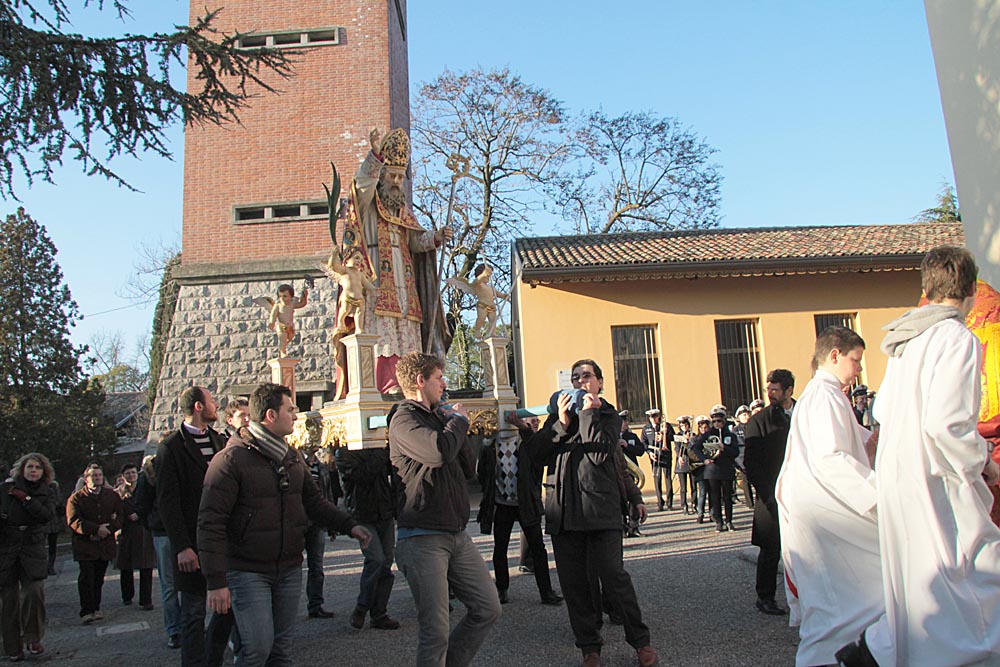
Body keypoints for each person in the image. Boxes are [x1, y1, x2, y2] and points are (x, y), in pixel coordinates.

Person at [839, 246, 1000, 667]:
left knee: (922, 582)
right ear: (971, 288)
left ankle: (878, 649)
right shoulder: (957, 338)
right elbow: (948, 424)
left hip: (901, 474)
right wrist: (982, 463)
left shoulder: (907, 342)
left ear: (927, 287)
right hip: (936, 476)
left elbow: (884, 410)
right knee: (977, 574)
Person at [198, 383, 371, 667]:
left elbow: (314, 502)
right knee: (257, 649)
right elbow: (210, 523)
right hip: (247, 570)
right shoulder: (230, 460)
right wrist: (216, 581)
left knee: (281, 652)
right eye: (290, 409)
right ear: (270, 415)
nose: (296, 414)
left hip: (288, 568)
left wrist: (350, 526)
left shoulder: (291, 457)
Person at [527, 359, 658, 667]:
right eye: (575, 378)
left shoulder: (608, 415)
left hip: (601, 511)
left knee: (614, 577)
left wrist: (588, 413)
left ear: (599, 382)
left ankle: (640, 642)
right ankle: (590, 648)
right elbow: (535, 455)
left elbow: (600, 453)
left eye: (586, 376)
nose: (580, 382)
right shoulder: (559, 418)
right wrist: (561, 424)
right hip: (564, 513)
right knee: (575, 585)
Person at [388, 351, 501, 667]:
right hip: (422, 537)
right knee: (436, 630)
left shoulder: (439, 417)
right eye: (439, 378)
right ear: (420, 381)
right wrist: (459, 422)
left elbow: (467, 466)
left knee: (488, 607)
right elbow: (438, 452)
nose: (444, 383)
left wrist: (454, 423)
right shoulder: (403, 419)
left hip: (456, 532)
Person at [776, 326, 879, 667]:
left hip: (824, 515)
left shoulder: (825, 394)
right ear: (835, 355)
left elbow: (854, 440)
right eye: (855, 360)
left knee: (844, 603)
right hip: (829, 518)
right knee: (846, 600)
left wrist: (874, 439)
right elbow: (831, 458)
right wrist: (881, 495)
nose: (858, 369)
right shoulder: (824, 396)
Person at [339, 127, 452, 393]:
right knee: (384, 333)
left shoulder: (403, 212)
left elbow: (415, 241)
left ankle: (411, 383)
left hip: (406, 283)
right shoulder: (369, 207)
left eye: (400, 177)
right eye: (391, 175)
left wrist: (435, 237)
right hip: (377, 280)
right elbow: (360, 188)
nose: (396, 181)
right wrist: (375, 157)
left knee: (406, 332)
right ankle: (386, 383)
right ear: (381, 177)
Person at [156, 386, 226, 666]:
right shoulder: (171, 448)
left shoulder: (220, 441)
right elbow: (168, 502)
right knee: (194, 613)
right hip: (192, 544)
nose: (216, 405)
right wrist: (182, 546)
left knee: (228, 608)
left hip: (222, 542)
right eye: (212, 401)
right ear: (198, 406)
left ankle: (213, 659)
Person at [477, 412, 564, 606]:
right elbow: (482, 473)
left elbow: (537, 462)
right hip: (503, 504)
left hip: (525, 502)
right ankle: (502, 589)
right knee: (500, 548)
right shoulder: (490, 445)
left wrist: (532, 491)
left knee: (538, 548)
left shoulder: (524, 443)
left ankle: (546, 591)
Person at [744, 369, 794, 617]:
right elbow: (751, 464)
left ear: (789, 391)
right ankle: (765, 597)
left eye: (775, 390)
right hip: (771, 493)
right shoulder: (759, 421)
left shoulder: (803, 414)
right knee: (771, 549)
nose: (771, 394)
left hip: (800, 491)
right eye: (769, 390)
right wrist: (768, 495)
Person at [336, 443, 402, 630]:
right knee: (376, 559)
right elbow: (364, 475)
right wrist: (381, 452)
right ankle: (362, 607)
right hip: (362, 513)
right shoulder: (345, 452)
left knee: (386, 561)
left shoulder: (379, 449)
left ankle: (379, 612)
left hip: (384, 511)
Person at [1, 453, 56, 659]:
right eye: (30, 467)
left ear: (44, 471)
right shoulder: (6, 489)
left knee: (34, 591)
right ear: (22, 470)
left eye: (37, 468)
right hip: (7, 547)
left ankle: (33, 638)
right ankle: (11, 646)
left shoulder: (48, 491)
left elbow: (45, 515)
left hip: (32, 547)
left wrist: (26, 498)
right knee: (7, 599)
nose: (33, 471)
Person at [132, 453, 183, 649]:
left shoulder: (182, 463)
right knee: (169, 584)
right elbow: (141, 505)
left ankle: (189, 625)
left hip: (184, 530)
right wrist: (153, 524)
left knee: (190, 583)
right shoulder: (150, 472)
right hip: (163, 532)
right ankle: (174, 629)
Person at [66, 463, 122, 624]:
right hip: (85, 545)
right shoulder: (76, 498)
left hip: (104, 545)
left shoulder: (111, 496)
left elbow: (120, 516)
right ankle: (86, 610)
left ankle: (96, 607)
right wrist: (96, 529)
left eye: (99, 475)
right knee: (86, 578)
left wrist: (109, 529)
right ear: (86, 479)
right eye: (93, 475)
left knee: (99, 578)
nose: (97, 478)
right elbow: (74, 520)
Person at [303, 445, 343, 619]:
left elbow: (327, 495)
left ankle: (315, 605)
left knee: (316, 566)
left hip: (317, 522)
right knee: (292, 567)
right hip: (298, 521)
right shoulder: (295, 462)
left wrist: (332, 524)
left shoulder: (321, 466)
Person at [115, 462, 156, 610]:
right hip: (126, 531)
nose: (131, 476)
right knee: (126, 566)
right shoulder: (118, 493)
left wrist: (140, 513)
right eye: (128, 473)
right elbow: (115, 511)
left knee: (146, 566)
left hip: (143, 529)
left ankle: (146, 600)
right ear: (123, 476)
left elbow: (150, 505)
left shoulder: (144, 488)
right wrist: (127, 515)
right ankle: (127, 595)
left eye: (133, 472)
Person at [700, 406, 739, 532]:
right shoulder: (708, 435)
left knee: (727, 497)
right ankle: (719, 522)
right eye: (714, 421)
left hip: (726, 469)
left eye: (719, 421)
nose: (717, 424)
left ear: (724, 421)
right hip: (712, 470)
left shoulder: (730, 435)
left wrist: (724, 448)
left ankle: (729, 521)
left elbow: (736, 452)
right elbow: (696, 448)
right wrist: (704, 459)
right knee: (715, 497)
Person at [326, 247, 378, 334]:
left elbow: (366, 284)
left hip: (359, 298)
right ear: (347, 259)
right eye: (356, 258)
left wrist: (374, 289)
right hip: (348, 296)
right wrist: (334, 255)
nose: (359, 261)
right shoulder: (344, 270)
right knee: (345, 310)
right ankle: (340, 323)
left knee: (359, 313)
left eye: (361, 260)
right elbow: (333, 266)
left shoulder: (360, 274)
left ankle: (359, 328)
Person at [641, 408, 675, 511]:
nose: (653, 419)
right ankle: (660, 503)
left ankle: (669, 503)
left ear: (658, 416)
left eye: (655, 417)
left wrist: (665, 437)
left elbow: (673, 437)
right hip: (654, 456)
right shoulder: (646, 428)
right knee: (657, 479)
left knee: (668, 479)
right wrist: (649, 453)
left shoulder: (666, 426)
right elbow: (643, 443)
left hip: (665, 455)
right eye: (651, 417)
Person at [268, 283, 308, 358]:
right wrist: (271, 322)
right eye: (280, 296)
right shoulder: (278, 306)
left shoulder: (292, 305)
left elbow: (302, 304)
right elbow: (273, 315)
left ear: (291, 297)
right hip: (281, 326)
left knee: (289, 337)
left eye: (285, 296)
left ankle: (282, 348)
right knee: (283, 337)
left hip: (290, 327)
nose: (282, 298)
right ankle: (282, 352)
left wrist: (305, 296)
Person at [688, 415, 712, 523]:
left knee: (712, 492)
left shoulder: (711, 438)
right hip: (700, 469)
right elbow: (691, 454)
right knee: (702, 492)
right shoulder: (694, 439)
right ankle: (700, 514)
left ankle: (712, 514)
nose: (703, 430)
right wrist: (703, 458)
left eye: (705, 427)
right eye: (701, 427)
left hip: (711, 468)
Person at [672, 416, 696, 514]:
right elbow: (677, 448)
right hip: (682, 462)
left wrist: (689, 441)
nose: (684, 427)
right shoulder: (678, 436)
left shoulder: (693, 435)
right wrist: (679, 456)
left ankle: (694, 504)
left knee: (693, 486)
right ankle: (684, 505)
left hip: (692, 462)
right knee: (683, 487)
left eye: (685, 425)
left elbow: (695, 448)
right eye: (682, 425)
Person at [732, 405, 754, 509]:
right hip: (742, 459)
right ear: (739, 417)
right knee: (746, 482)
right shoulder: (736, 430)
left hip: (754, 458)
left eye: (747, 414)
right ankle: (750, 503)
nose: (746, 416)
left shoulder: (753, 426)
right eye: (744, 415)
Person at [43, 478, 63, 576]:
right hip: (43, 519)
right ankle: (44, 566)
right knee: (41, 545)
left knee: (52, 544)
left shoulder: (53, 485)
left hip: (53, 519)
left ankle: (50, 566)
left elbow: (58, 501)